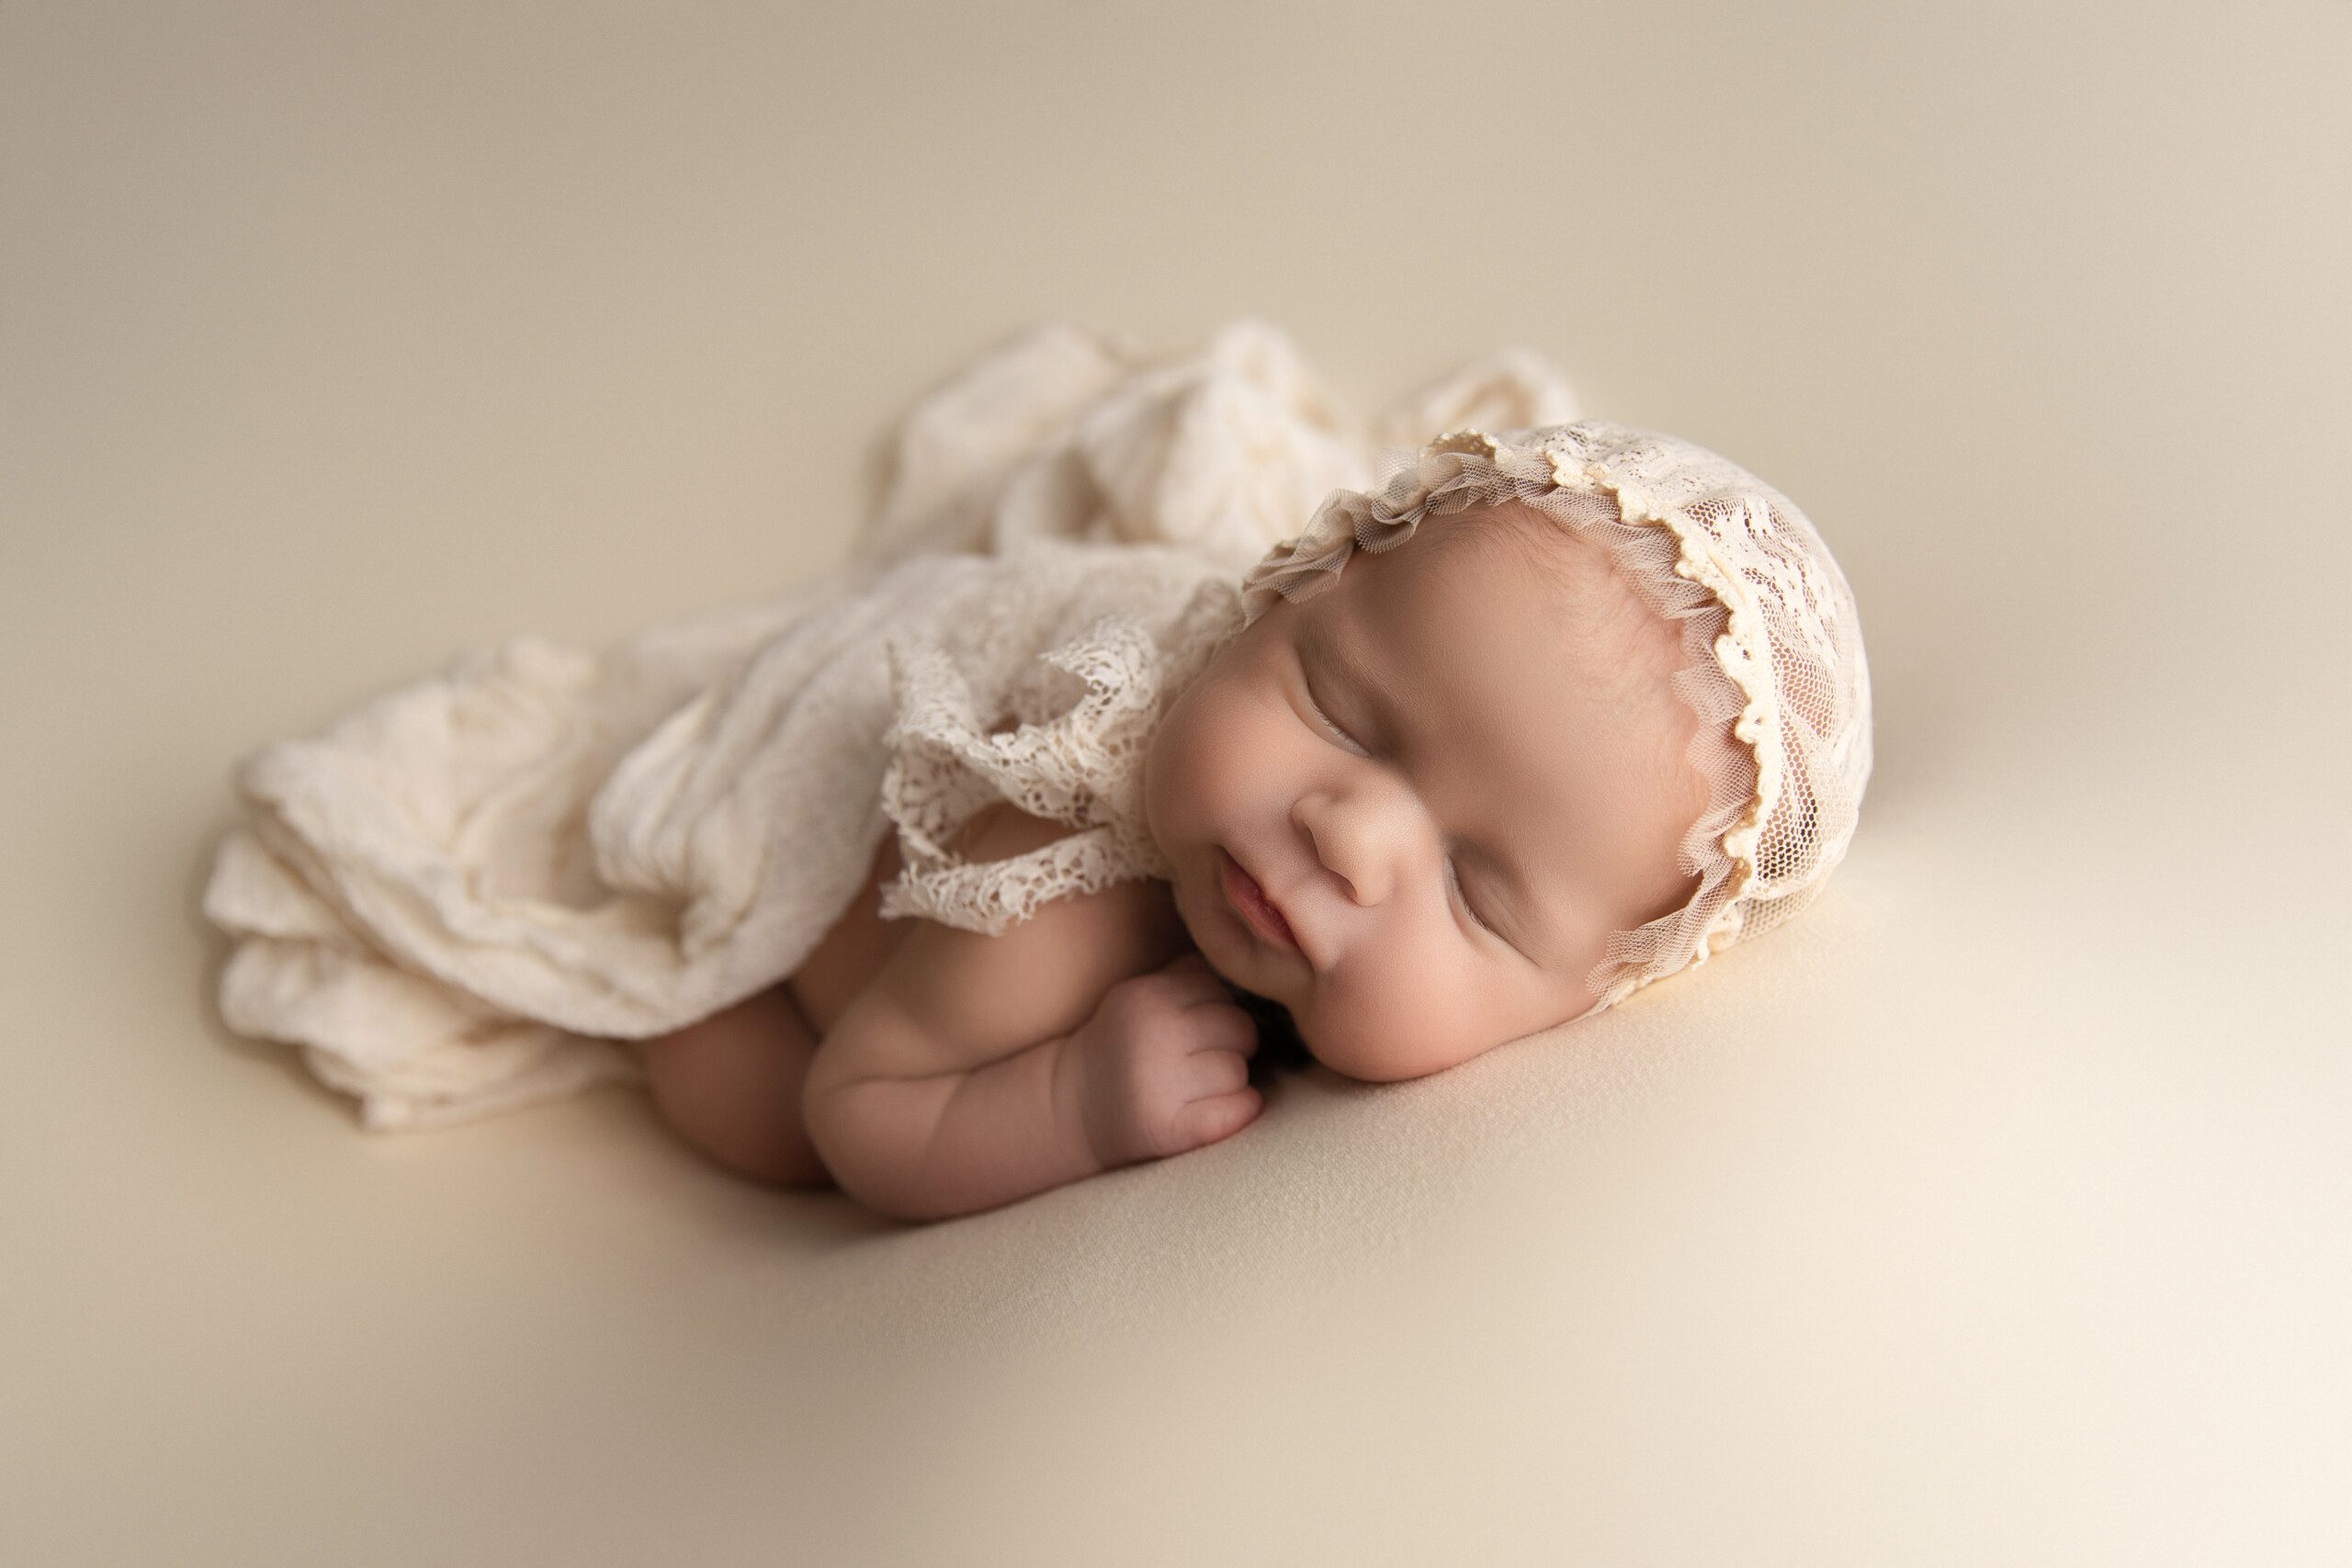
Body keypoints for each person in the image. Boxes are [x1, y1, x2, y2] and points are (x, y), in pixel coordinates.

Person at [642, 423, 1872, 1221]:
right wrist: (1073, 1099)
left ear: (1592, 993)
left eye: (1472, 888)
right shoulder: (1054, 910)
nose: (1350, 837)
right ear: (1280, 595)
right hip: (840, 906)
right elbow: (858, 1105)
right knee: (750, 1114)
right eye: (1344, 715)